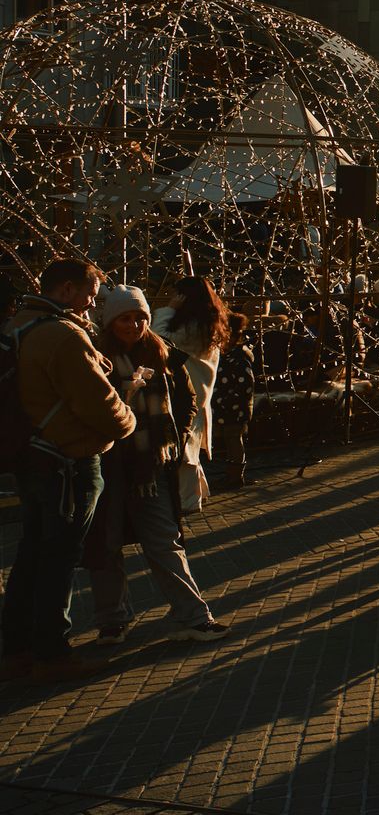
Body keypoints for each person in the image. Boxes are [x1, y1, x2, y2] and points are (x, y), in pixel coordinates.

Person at [1, 261, 135, 683]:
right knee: (59, 558)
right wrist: (128, 419)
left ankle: (16, 649)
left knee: (33, 552)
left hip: (30, 456)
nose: (93, 302)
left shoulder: (16, 326)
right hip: (67, 461)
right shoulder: (61, 335)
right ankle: (52, 652)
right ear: (65, 290)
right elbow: (100, 403)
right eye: (90, 292)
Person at [83, 286, 228, 645]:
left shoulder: (164, 354)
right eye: (125, 319)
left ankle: (192, 617)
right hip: (107, 462)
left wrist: (175, 437)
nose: (134, 325)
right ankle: (112, 620)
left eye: (140, 318)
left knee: (164, 541)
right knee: (106, 543)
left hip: (150, 466)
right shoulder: (96, 357)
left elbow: (187, 398)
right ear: (111, 321)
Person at [152, 277, 228, 507]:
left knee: (187, 448)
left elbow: (158, 339)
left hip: (190, 391)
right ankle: (197, 491)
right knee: (190, 444)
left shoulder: (193, 328)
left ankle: (188, 500)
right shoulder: (210, 324)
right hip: (200, 389)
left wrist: (167, 310)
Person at [209, 312, 257, 490]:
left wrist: (229, 400)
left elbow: (246, 385)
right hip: (225, 405)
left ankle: (235, 476)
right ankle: (232, 474)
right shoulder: (225, 355)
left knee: (234, 439)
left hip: (235, 408)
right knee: (230, 440)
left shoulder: (239, 358)